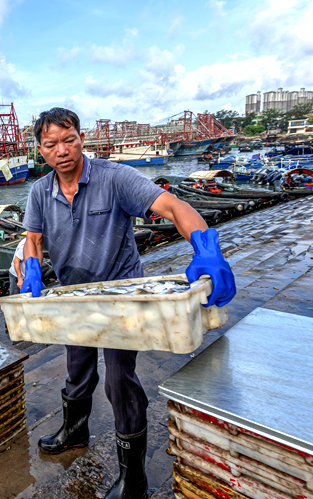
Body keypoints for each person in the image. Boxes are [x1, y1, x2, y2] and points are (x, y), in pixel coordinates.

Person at [20, 108, 236, 499]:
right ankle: (75, 430)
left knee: (120, 380)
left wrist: (205, 247)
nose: (62, 150)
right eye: (51, 144)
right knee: (77, 369)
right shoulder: (39, 191)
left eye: (69, 140)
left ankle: (132, 475)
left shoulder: (114, 178)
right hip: (73, 298)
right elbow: (33, 237)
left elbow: (171, 207)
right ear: (40, 150)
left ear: (81, 138)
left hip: (122, 298)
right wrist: (32, 267)